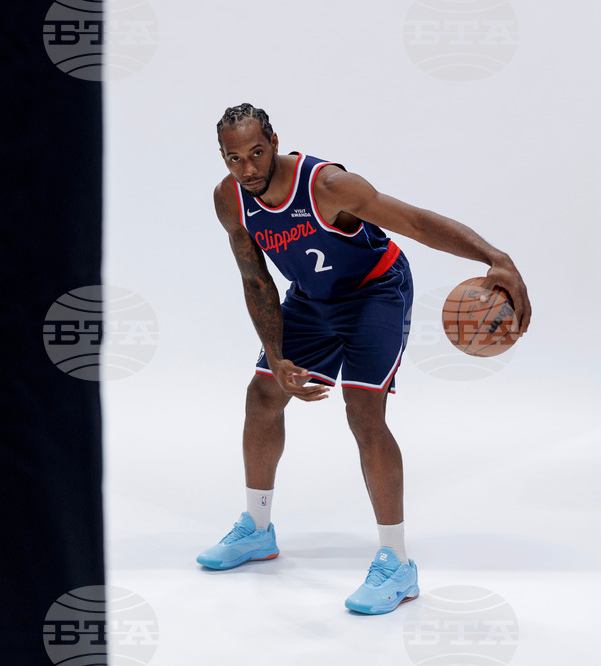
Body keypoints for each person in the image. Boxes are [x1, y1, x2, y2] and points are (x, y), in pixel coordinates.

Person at [197, 103, 531, 615]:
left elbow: (415, 222)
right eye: (234, 158)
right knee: (262, 394)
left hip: (376, 292)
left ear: (275, 140)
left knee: (364, 414)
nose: (247, 169)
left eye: (257, 152)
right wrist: (277, 355)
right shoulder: (230, 200)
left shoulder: (328, 186)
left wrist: (495, 257)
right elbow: (256, 279)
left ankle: (396, 564)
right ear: (222, 157)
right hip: (311, 299)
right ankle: (257, 530)